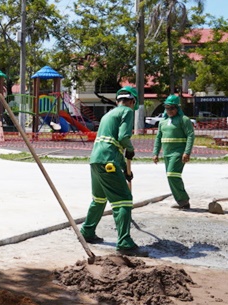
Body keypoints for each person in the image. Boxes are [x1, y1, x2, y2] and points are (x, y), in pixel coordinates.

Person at [79, 86, 148, 257]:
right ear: (132, 101)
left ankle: (87, 231)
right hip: (108, 161)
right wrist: (130, 150)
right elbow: (123, 138)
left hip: (96, 160)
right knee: (123, 200)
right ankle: (125, 242)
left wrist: (124, 169)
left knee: (99, 199)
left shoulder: (107, 115)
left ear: (118, 100)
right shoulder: (127, 112)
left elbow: (110, 143)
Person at [153, 94, 195, 209]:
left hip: (178, 153)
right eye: (167, 108)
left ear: (178, 108)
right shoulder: (162, 122)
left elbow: (190, 135)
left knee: (172, 175)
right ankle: (182, 202)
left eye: (172, 108)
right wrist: (155, 153)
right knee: (170, 176)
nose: (169, 110)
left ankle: (184, 199)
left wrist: (187, 152)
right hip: (166, 153)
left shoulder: (184, 120)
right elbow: (158, 138)